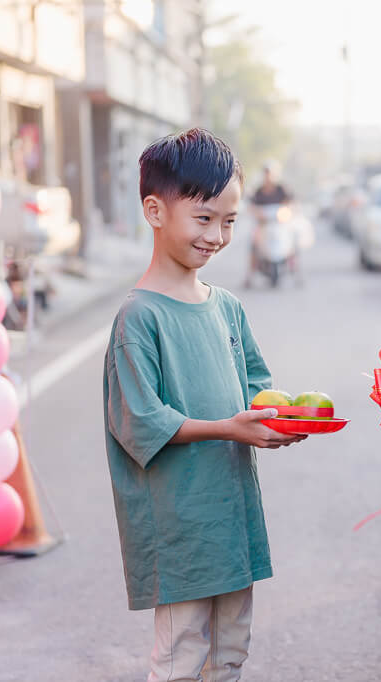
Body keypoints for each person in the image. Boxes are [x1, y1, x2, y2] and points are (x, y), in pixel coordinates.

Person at [102, 128, 306, 682]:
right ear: (155, 210)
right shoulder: (139, 317)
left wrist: (280, 419)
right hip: (181, 526)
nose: (217, 235)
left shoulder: (228, 308)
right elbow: (141, 421)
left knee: (232, 651)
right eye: (204, 218)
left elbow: (258, 390)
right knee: (181, 656)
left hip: (230, 518)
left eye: (230, 221)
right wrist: (231, 429)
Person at [245, 162, 296, 287]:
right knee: (253, 245)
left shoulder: (281, 189)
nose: (269, 176)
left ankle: (295, 270)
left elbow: (290, 203)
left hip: (280, 225)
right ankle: (249, 277)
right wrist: (257, 212)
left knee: (292, 242)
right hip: (263, 226)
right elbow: (252, 206)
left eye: (271, 173)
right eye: (266, 173)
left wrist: (286, 211)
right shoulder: (259, 191)